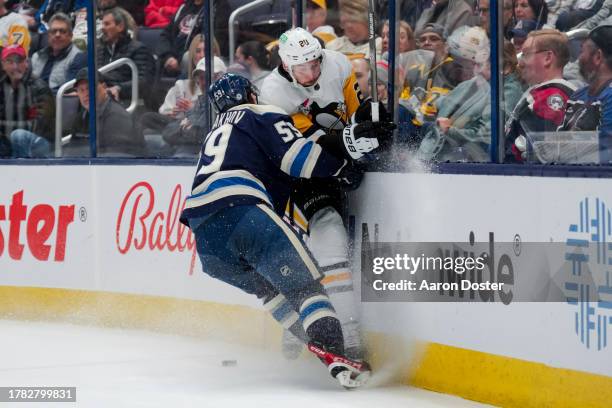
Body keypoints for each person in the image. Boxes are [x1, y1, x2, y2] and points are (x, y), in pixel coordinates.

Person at [181, 73, 392, 388]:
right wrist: (341, 169)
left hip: (204, 236)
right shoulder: (260, 114)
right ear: (251, 95)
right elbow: (298, 156)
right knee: (305, 289)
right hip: (241, 210)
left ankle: (318, 346)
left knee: (271, 290)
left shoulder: (215, 131)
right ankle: (337, 353)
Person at [260, 27, 382, 360]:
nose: (312, 72)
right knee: (324, 238)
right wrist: (351, 147)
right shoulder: (273, 92)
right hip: (296, 171)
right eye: (303, 68)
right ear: (287, 65)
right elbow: (312, 141)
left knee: (324, 245)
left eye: (315, 62)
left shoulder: (338, 64)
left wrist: (370, 123)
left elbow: (354, 111)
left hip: (331, 161)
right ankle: (343, 330)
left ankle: (307, 322)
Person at [504, 29, 576, 162]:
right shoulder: (545, 93)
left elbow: (534, 157)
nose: (520, 63)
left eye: (525, 55)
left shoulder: (548, 98)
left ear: (548, 58)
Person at [558, 25, 612, 163]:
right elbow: (558, 142)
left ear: (598, 57)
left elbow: (605, 151)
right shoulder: (578, 95)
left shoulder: (610, 97)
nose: (578, 58)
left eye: (582, 51)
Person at [68, 67, 145, 156]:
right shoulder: (81, 117)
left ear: (104, 87)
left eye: (90, 88)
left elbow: (116, 159)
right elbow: (72, 152)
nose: (86, 94)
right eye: (81, 90)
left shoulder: (117, 117)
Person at [1, 44, 54, 158]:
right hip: (5, 142)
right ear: (3, 65)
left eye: (19, 61)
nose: (15, 66)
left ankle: (21, 171)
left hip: (38, 144)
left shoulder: (40, 88)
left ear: (26, 63)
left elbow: (41, 127)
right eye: (10, 62)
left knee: (19, 136)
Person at [97, 7, 156, 104]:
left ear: (120, 27)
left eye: (107, 24)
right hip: (102, 100)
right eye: (102, 24)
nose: (102, 27)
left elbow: (143, 83)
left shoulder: (139, 49)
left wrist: (119, 88)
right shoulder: (101, 50)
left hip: (128, 102)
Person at [31, 12, 85, 93]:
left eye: (62, 31)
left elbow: (69, 91)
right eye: (54, 31)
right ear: (48, 35)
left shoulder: (78, 58)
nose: (57, 35)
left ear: (70, 36)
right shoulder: (37, 56)